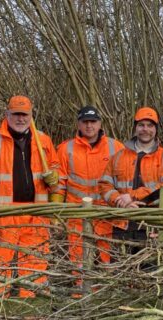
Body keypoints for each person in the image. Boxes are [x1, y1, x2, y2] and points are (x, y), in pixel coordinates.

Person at [0, 95, 59, 298]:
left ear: (31, 116)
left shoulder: (44, 141)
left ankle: (31, 312)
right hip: (2, 215)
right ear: (7, 115)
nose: (20, 119)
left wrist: (55, 181)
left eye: (25, 115)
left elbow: (56, 174)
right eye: (16, 114)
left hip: (36, 215)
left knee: (35, 273)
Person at [53, 105, 123, 291]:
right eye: (85, 122)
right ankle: (81, 293)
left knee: (108, 258)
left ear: (100, 124)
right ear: (78, 124)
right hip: (76, 213)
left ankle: (108, 294)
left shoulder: (115, 147)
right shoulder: (65, 148)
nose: (89, 126)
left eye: (93, 122)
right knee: (78, 259)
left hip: (106, 212)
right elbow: (59, 184)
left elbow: (125, 179)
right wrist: (57, 212)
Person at [97, 106, 163, 262]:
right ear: (135, 127)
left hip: (151, 227)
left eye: (150, 125)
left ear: (156, 129)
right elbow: (104, 184)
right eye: (141, 125)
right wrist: (119, 201)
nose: (145, 129)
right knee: (118, 275)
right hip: (121, 225)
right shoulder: (119, 155)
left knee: (149, 277)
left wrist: (131, 197)